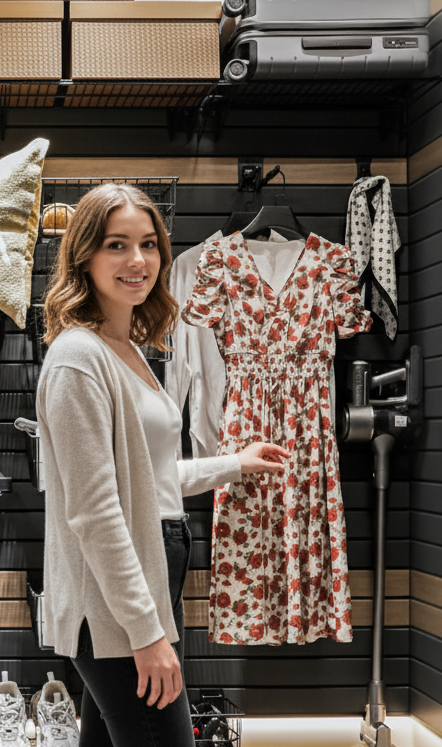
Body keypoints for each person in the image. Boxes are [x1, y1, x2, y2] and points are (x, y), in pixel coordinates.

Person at [36, 184, 289, 746]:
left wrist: (232, 465)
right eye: (117, 245)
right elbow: (96, 510)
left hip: (144, 583)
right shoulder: (79, 359)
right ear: (84, 255)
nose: (137, 261)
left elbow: (144, 481)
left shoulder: (125, 350)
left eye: (149, 245)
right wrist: (147, 634)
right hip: (119, 607)